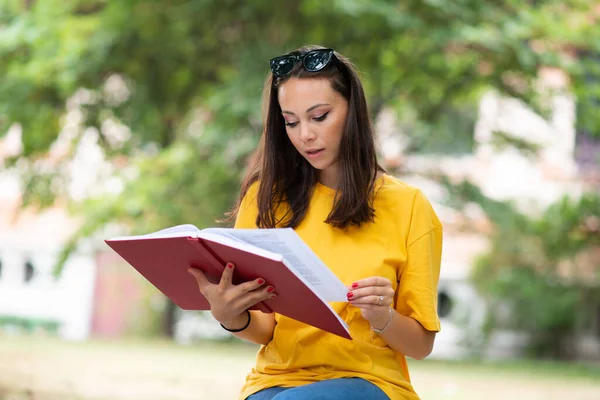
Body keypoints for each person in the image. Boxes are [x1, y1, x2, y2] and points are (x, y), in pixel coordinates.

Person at [187, 45, 443, 400]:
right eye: (291, 121)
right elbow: (266, 328)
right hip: (275, 381)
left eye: (319, 116)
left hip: (369, 383)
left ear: (352, 111)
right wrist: (231, 315)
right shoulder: (264, 199)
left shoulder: (408, 206)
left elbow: (420, 345)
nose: (304, 134)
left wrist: (381, 316)